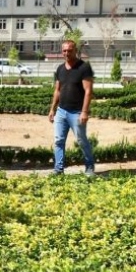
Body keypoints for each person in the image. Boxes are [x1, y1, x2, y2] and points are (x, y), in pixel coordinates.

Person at [48, 39, 96, 177]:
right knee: (58, 141)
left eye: (69, 50)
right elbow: (57, 90)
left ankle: (89, 168)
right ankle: (58, 170)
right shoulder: (60, 69)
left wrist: (85, 112)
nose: (67, 53)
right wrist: (52, 109)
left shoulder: (84, 68)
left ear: (75, 51)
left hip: (77, 112)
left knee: (82, 141)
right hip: (61, 111)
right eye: (64, 50)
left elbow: (88, 91)